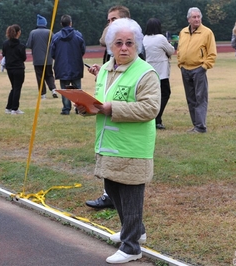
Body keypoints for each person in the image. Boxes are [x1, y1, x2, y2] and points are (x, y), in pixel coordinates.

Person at [76, 18, 160, 264]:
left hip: (133, 147)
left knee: (131, 195)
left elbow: (150, 108)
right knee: (113, 190)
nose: (124, 48)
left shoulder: (146, 72)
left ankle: (132, 246)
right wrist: (84, 107)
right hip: (108, 143)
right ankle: (135, 231)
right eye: (119, 43)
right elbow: (99, 102)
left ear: (138, 46)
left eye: (130, 43)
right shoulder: (104, 70)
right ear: (111, 46)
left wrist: (111, 108)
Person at [85, 5, 132, 209]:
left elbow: (130, 76)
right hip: (107, 115)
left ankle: (119, 202)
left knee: (121, 159)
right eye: (108, 20)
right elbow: (113, 74)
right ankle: (110, 195)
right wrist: (100, 72)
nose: (109, 23)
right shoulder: (111, 46)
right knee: (108, 153)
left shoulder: (130, 46)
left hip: (123, 113)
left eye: (113, 20)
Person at [177, 7, 216, 133]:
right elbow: (180, 49)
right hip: (185, 69)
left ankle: (200, 126)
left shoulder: (207, 33)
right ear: (188, 19)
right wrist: (180, 64)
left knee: (200, 98)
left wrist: (204, 67)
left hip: (199, 69)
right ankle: (196, 125)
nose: (197, 19)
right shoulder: (183, 32)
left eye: (198, 17)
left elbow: (212, 53)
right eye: (194, 17)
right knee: (190, 99)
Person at [143, 18, 175, 130]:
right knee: (165, 94)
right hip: (161, 73)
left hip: (148, 73)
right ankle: (157, 118)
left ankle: (153, 118)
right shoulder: (161, 38)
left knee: (152, 96)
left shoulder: (144, 39)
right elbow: (171, 50)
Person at [51, 14, 85, 115]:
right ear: (71, 23)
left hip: (62, 66)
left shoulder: (56, 37)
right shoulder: (78, 35)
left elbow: (52, 52)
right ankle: (79, 108)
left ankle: (66, 108)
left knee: (64, 89)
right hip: (76, 65)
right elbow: (82, 50)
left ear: (61, 24)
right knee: (77, 88)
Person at [26, 14, 57, 99]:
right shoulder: (49, 32)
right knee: (49, 75)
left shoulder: (32, 32)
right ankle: (53, 89)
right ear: (45, 24)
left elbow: (29, 44)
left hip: (37, 60)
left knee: (40, 77)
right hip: (48, 59)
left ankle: (43, 94)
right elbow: (55, 43)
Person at [2, 24, 27, 115]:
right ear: (18, 33)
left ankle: (8, 107)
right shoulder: (21, 45)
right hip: (18, 69)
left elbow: (4, 54)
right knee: (17, 88)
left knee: (14, 88)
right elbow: (23, 58)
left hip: (10, 69)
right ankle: (15, 108)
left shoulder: (5, 44)